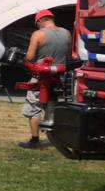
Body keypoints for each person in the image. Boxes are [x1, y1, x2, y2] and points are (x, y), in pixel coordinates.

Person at [19, 9, 71, 149]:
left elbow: (29, 57)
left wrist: (25, 59)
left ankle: (35, 140)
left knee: (34, 108)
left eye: (37, 23)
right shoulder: (67, 33)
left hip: (40, 78)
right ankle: (56, 139)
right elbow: (68, 56)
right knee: (53, 107)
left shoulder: (38, 34)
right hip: (59, 78)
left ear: (40, 20)